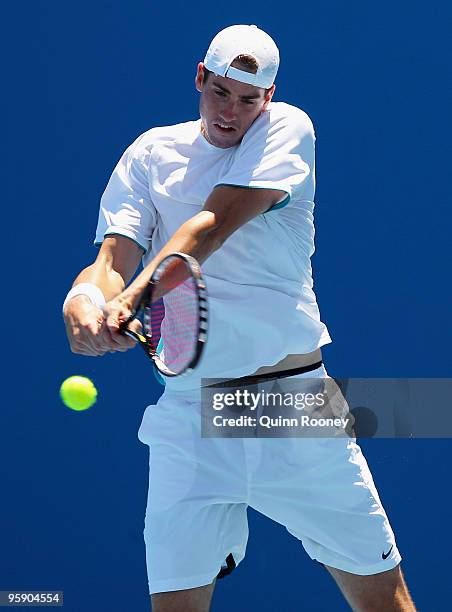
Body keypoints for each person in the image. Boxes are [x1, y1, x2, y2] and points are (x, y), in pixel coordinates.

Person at [63, 24, 416, 612]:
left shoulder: (288, 130)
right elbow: (111, 260)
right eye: (220, 92)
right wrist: (85, 303)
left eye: (248, 99)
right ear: (199, 79)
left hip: (291, 407)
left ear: (269, 98)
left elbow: (211, 225)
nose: (231, 112)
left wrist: (135, 298)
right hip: (191, 417)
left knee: (384, 601)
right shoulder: (151, 154)